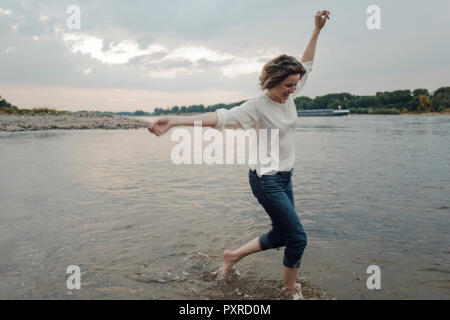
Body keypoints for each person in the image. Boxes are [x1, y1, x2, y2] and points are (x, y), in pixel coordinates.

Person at [148, 10, 330, 296]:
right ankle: (289, 291)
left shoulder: (291, 91)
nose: (293, 90)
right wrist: (175, 120)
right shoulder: (256, 107)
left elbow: (307, 62)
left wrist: (316, 30)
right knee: (298, 237)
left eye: (296, 84)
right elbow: (221, 117)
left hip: (285, 177)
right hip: (266, 179)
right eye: (288, 85)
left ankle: (232, 256)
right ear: (272, 82)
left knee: (284, 234)